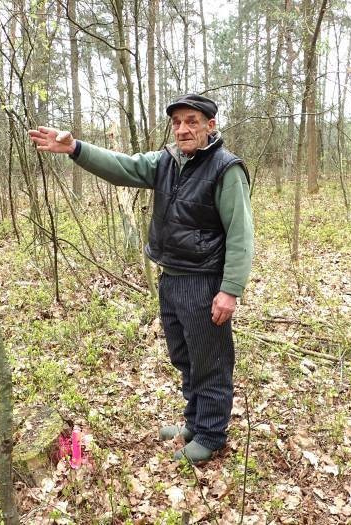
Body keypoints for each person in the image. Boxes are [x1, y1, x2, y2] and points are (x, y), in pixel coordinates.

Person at [28, 94, 254, 464]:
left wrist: (230, 290)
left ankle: (211, 435)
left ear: (210, 125)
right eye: (177, 121)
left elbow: (241, 234)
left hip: (204, 280)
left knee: (210, 360)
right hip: (172, 277)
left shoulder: (226, 169)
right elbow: (124, 167)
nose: (183, 129)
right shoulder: (165, 162)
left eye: (192, 121)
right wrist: (75, 149)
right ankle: (195, 424)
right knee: (185, 357)